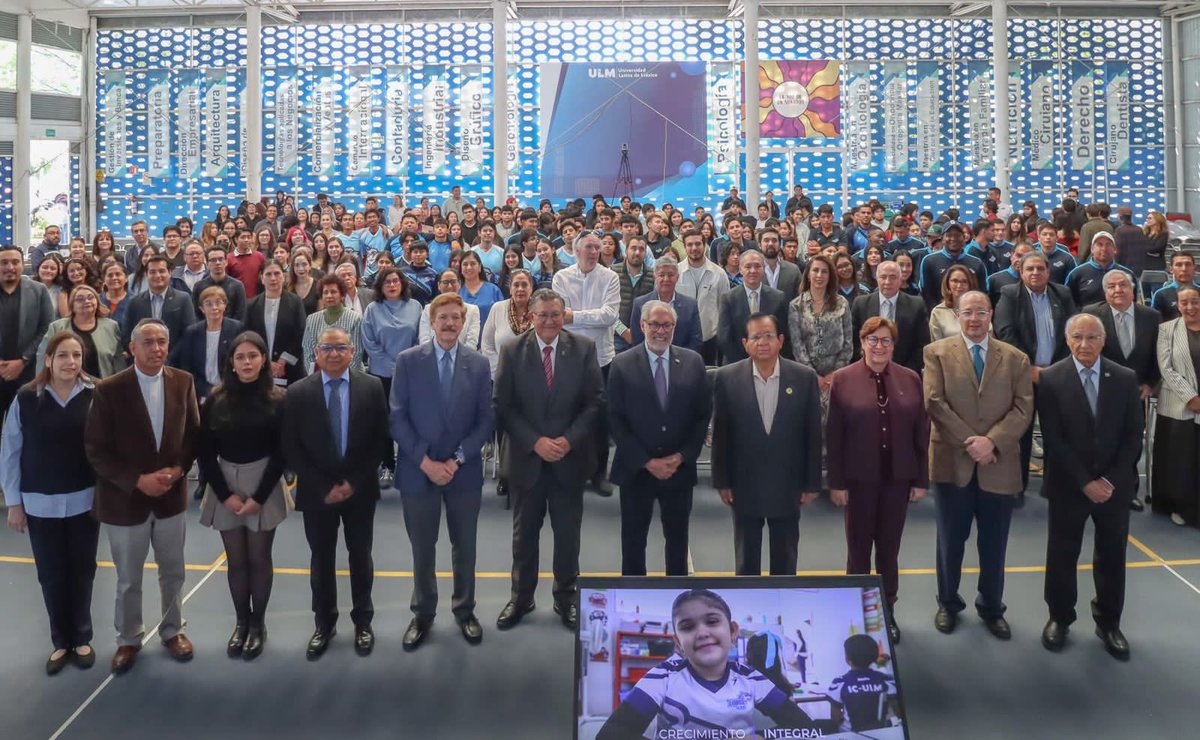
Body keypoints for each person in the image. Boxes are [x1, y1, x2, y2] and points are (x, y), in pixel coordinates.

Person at [83, 318, 201, 674]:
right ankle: (128, 638)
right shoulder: (109, 389)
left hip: (170, 497)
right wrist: (137, 480)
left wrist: (179, 469)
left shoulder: (183, 382)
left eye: (162, 341)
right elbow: (96, 449)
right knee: (128, 578)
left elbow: (193, 434)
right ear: (132, 348)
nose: (157, 348)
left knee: (173, 572)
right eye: (148, 342)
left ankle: (172, 630)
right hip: (125, 501)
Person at [923, 291, 1033, 640]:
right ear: (956, 314)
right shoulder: (936, 353)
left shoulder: (1016, 358)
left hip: (998, 464)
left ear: (991, 315)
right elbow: (934, 402)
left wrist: (992, 441)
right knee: (950, 541)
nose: (974, 319)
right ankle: (947, 602)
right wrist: (972, 441)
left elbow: (1023, 408)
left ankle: (991, 606)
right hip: (952, 463)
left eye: (980, 313)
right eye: (967, 312)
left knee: (994, 543)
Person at [389, 294, 495, 650]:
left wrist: (458, 459)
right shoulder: (408, 362)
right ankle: (423, 613)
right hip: (418, 472)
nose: (450, 324)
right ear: (431, 322)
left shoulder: (478, 365)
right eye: (443, 318)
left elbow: (485, 421)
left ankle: (464, 610)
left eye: (455, 318)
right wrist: (425, 462)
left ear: (463, 323)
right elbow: (397, 417)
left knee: (464, 546)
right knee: (423, 547)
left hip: (462, 473)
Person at [493, 289, 603, 631]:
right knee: (524, 536)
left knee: (568, 536)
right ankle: (521, 597)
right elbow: (503, 405)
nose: (549, 321)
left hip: (569, 461)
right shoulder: (512, 350)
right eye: (542, 315)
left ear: (564, 314)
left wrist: (568, 441)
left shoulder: (583, 348)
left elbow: (595, 402)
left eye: (555, 315)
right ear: (531, 317)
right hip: (528, 461)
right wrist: (536, 442)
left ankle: (566, 597)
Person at [1037, 314, 1143, 660]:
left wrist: (1108, 480)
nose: (1085, 345)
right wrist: (1085, 482)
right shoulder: (1052, 380)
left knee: (1112, 556)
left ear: (1103, 339)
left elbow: (1132, 438)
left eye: (1092, 337)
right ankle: (1060, 617)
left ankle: (1109, 622)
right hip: (1069, 485)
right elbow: (1054, 439)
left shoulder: (1125, 378)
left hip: (1114, 487)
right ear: (1067, 340)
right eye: (1078, 337)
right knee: (1062, 554)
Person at [282, 326, 390, 660]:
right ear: (315, 354)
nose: (333, 354)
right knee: (321, 560)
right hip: (317, 494)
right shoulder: (298, 392)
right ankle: (324, 624)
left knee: (361, 557)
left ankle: (363, 622)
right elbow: (291, 446)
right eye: (326, 348)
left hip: (360, 489)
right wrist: (322, 485)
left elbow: (380, 442)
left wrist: (353, 482)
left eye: (340, 347)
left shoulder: (372, 387)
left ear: (352, 352)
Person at [2, 333, 99, 674]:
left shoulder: (95, 394)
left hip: (84, 500)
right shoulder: (27, 398)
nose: (70, 362)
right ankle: (61, 641)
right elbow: (11, 451)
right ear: (48, 360)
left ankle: (83, 636)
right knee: (51, 574)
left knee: (83, 570)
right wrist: (14, 501)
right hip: (39, 502)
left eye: (76, 355)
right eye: (62, 356)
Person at [828, 317, 928, 643]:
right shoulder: (843, 379)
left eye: (886, 340)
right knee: (858, 550)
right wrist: (838, 483)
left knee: (888, 549)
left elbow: (920, 434)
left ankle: (887, 610)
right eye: (873, 340)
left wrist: (920, 479)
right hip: (858, 481)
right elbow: (835, 436)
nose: (879, 346)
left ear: (893, 345)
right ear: (862, 343)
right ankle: (853, 611)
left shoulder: (911, 379)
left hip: (897, 480)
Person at [596, 589, 816, 739]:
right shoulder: (662, 676)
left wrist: (760, 737)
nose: (701, 632)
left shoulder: (751, 678)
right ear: (679, 644)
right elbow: (611, 735)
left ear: (732, 632)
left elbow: (804, 728)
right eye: (688, 626)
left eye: (712, 621)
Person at [197, 331, 287, 661]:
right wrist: (225, 496)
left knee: (259, 559)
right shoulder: (216, 399)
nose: (247, 362)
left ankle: (259, 623)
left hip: (263, 482)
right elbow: (204, 452)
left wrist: (260, 497)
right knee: (236, 561)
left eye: (253, 356)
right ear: (231, 364)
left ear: (264, 360)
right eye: (240, 357)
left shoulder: (278, 400)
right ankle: (241, 622)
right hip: (226, 484)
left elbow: (281, 454)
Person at [712, 313, 822, 575]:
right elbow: (721, 435)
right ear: (745, 343)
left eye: (769, 335)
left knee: (785, 560)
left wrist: (811, 482)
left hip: (788, 483)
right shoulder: (727, 377)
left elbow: (813, 434)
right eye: (756, 337)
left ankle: (782, 609)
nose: (763, 342)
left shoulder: (804, 377)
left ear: (781, 340)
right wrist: (722, 480)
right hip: (743, 483)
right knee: (746, 560)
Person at [607, 300, 711, 576]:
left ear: (675, 328)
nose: (661, 331)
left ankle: (676, 597)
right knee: (633, 542)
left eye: (667, 325)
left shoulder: (693, 362)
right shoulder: (622, 364)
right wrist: (646, 461)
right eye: (654, 324)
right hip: (636, 470)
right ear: (642, 326)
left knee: (677, 541)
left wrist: (681, 456)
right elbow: (615, 419)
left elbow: (702, 416)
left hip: (679, 471)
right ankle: (633, 597)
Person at [995, 251, 1077, 493]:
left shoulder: (1062, 294)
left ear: (1048, 271)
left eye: (1040, 269)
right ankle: (1017, 486)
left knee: (1057, 432)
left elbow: (1072, 331)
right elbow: (1005, 333)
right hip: (1023, 376)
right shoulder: (1010, 294)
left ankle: (1054, 485)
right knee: (1021, 433)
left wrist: (1058, 369)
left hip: (1057, 374)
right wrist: (1028, 367)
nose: (1035, 273)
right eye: (1029, 269)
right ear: (1021, 272)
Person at [1083, 270, 1162, 511]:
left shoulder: (1151, 316)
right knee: (1099, 442)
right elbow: (1083, 353)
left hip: (1137, 393)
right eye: (1112, 286)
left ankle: (1128, 491)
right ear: (1105, 292)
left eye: (1122, 285)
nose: (1117, 290)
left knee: (1132, 444)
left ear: (1133, 289)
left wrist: (1150, 383)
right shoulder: (1091, 314)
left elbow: (1158, 355)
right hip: (1100, 391)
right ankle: (1096, 487)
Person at [552, 233, 620, 496]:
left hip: (601, 357)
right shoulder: (561, 277)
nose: (593, 251)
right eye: (588, 247)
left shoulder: (609, 277)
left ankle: (600, 473)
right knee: (569, 416)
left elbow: (609, 316)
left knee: (600, 419)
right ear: (576, 249)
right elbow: (560, 317)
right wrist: (575, 317)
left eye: (597, 247)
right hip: (568, 356)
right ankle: (573, 470)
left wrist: (575, 316)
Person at [361, 267, 423, 487]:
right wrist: (390, 365)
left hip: (410, 373)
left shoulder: (415, 306)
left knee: (411, 419)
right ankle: (387, 464)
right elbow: (369, 342)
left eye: (396, 281)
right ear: (380, 286)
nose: (392, 285)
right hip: (381, 374)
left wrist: (404, 363)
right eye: (387, 282)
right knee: (385, 420)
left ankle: (410, 463)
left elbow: (420, 338)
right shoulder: (372, 309)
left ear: (402, 283)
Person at [1152, 287, 1200, 527]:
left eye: (1195, 301)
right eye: (1185, 302)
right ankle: (1180, 507)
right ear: (1177, 305)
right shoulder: (1166, 330)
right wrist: (1191, 397)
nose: (1190, 307)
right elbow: (1166, 368)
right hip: (1178, 406)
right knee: (1180, 460)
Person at [788, 254, 852, 417]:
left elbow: (848, 343)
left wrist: (834, 375)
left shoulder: (842, 303)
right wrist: (813, 376)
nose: (819, 275)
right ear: (808, 274)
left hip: (837, 376)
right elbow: (797, 345)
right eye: (815, 270)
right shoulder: (796, 305)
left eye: (824, 271)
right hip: (807, 377)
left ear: (830, 276)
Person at [0, 246, 56, 421]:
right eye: (4, 262)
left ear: (23, 264)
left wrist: (23, 360)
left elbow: (46, 329)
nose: (10, 267)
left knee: (25, 427)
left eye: (15, 262)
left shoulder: (39, 291)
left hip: (27, 373)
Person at [850, 261, 930, 373]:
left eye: (893, 277)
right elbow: (854, 342)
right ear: (877, 278)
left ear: (900, 279)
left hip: (904, 373)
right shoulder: (861, 304)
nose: (887, 282)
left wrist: (905, 371)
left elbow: (922, 345)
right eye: (883, 277)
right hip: (867, 371)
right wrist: (867, 366)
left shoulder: (916, 305)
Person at [37, 285, 125, 380]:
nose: (86, 301)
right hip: (65, 387)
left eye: (90, 297)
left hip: (102, 388)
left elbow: (119, 361)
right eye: (80, 299)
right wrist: (42, 386)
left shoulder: (111, 326)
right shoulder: (57, 327)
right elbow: (43, 357)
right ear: (72, 305)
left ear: (97, 301)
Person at [243, 259, 307, 388]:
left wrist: (283, 361)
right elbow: (248, 336)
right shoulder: (251, 305)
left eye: (277, 273)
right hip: (259, 369)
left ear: (284, 277)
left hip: (290, 370)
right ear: (261, 278)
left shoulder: (295, 302)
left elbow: (300, 334)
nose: (273, 278)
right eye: (268, 274)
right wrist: (265, 361)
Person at [718, 250, 790, 364]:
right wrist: (745, 363)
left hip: (770, 362)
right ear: (740, 269)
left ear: (763, 268)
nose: (753, 271)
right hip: (736, 363)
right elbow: (724, 337)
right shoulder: (728, 299)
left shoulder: (778, 297)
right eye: (748, 266)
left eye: (757, 266)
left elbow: (782, 334)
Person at [120, 254, 198, 353]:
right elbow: (127, 336)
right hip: (144, 361)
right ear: (146, 274)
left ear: (170, 273)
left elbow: (188, 334)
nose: (157, 275)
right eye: (152, 272)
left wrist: (167, 356)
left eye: (161, 271)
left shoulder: (183, 299)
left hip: (174, 362)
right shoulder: (135, 302)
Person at [825, 634, 902, 733]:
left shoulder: (839, 683)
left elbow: (835, 718)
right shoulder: (886, 680)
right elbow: (899, 712)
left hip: (850, 734)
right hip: (882, 733)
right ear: (875, 656)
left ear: (848, 658)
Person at [677, 228, 731, 365]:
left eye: (698, 244)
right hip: (681, 340)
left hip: (710, 339)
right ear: (684, 247)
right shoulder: (675, 272)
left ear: (705, 244)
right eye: (689, 245)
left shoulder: (719, 274)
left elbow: (724, 308)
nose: (694, 248)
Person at [628, 257, 703, 353]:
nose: (666, 279)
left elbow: (696, 341)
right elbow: (637, 341)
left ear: (677, 278)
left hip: (682, 362)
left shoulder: (690, 305)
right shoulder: (640, 304)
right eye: (661, 275)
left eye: (671, 275)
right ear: (654, 277)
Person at [301, 274, 364, 372]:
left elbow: (356, 354)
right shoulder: (311, 319)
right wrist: (320, 376)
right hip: (319, 376)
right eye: (325, 292)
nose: (329, 295)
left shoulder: (355, 318)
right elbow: (308, 353)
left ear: (342, 295)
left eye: (333, 292)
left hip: (351, 376)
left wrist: (340, 376)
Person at [1065, 232, 1135, 308]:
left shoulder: (1127, 274)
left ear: (1115, 249)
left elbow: (1133, 303)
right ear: (1092, 249)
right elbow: (1068, 303)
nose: (1104, 249)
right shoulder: (1077, 273)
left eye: (1108, 244)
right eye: (1099, 244)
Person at [417, 269, 482, 347]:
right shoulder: (428, 309)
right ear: (439, 285)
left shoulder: (472, 310)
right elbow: (424, 339)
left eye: (453, 282)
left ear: (459, 284)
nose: (450, 286)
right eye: (445, 282)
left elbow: (472, 342)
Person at [928, 264, 979, 342]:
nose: (959, 285)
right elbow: (935, 346)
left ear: (970, 284)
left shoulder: (980, 310)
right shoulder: (938, 312)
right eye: (955, 281)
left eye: (964, 281)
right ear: (947, 284)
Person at [1150, 252, 1200, 322]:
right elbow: (1155, 323)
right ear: (1171, 269)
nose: (1184, 269)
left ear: (1195, 268)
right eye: (1179, 265)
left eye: (1188, 264)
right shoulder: (1161, 295)